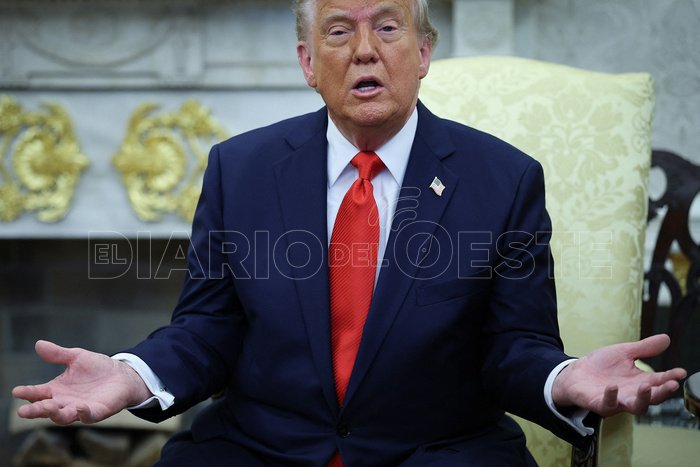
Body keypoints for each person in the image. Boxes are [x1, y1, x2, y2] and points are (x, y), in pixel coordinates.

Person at [12, 0, 686, 465]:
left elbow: (514, 345)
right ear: (308, 62)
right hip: (263, 447)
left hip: (437, 449)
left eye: (388, 27)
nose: (365, 50)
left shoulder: (503, 180)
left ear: (423, 52)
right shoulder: (240, 170)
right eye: (338, 32)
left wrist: (565, 378)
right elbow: (207, 327)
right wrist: (131, 374)